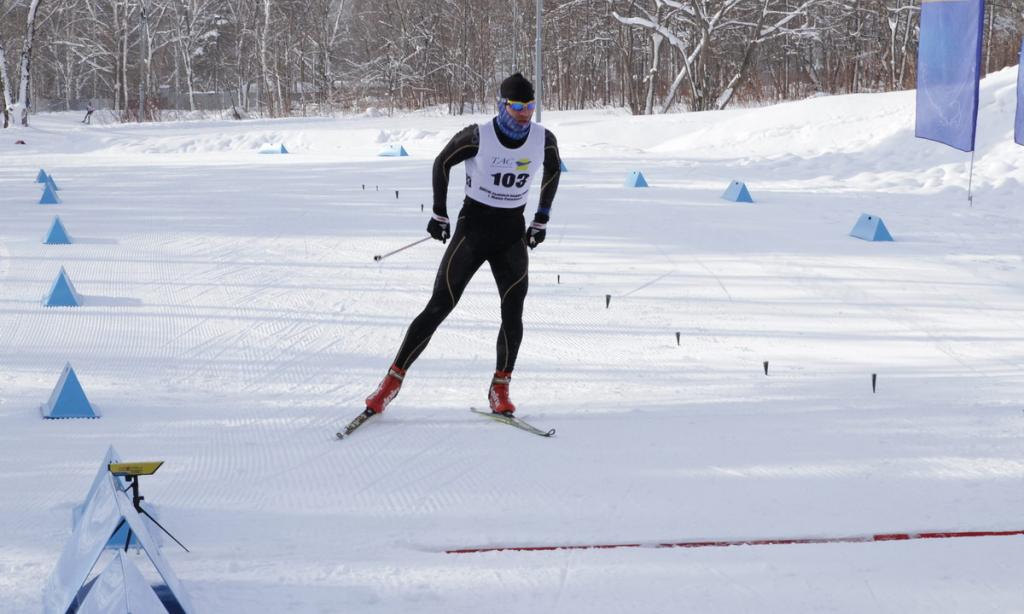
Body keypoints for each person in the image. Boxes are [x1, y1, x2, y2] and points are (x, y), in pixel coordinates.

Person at [363, 72, 561, 419]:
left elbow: (554, 170)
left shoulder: (543, 139)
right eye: (517, 106)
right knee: (439, 306)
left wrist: (541, 218)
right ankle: (390, 383)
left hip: (511, 235)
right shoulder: (478, 135)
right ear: (502, 105)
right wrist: (439, 213)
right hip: (474, 231)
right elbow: (442, 163)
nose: (525, 113)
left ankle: (500, 387)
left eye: (530, 106)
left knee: (513, 313)